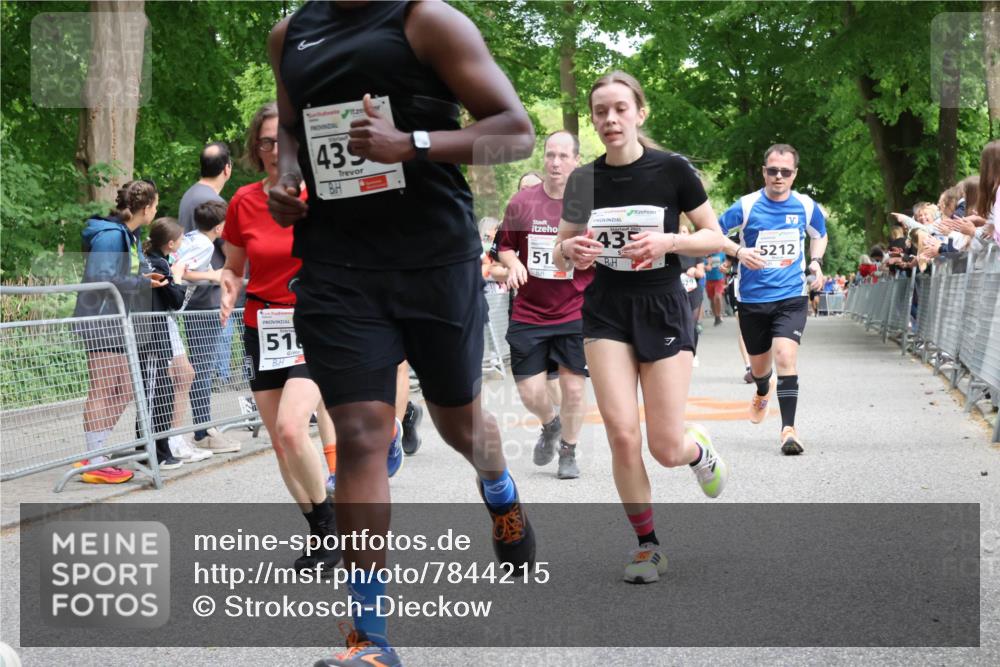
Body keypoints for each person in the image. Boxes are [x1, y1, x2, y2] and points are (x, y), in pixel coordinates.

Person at [266, 1, 535, 662]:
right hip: (337, 266)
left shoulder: (425, 19)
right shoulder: (290, 34)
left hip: (433, 261)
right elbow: (293, 127)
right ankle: (371, 639)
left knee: (460, 426)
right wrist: (288, 174)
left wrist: (410, 143)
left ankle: (500, 491)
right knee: (361, 435)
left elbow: (516, 133)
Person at [554, 70, 729, 585]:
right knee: (622, 434)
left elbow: (714, 237)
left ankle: (696, 451)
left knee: (665, 447)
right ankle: (647, 546)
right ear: (593, 120)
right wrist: (572, 249)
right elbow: (560, 252)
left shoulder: (672, 169)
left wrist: (669, 243)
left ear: (639, 113)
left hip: (663, 306)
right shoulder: (583, 181)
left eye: (620, 109)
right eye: (601, 111)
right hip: (606, 309)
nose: (610, 119)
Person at [220, 101, 357, 573]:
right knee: (281, 444)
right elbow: (234, 267)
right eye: (267, 141)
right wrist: (227, 285)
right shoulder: (243, 202)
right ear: (256, 149)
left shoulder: (323, 193)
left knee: (292, 427)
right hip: (262, 326)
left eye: (285, 139)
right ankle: (322, 531)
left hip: (313, 323)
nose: (277, 149)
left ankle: (332, 525)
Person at [718, 143, 829, 455]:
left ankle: (788, 430)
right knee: (760, 369)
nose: (779, 176)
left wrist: (816, 262)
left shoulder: (805, 206)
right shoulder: (746, 205)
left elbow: (819, 234)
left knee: (785, 355)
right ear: (763, 172)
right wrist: (737, 252)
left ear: (795, 174)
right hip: (753, 298)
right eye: (773, 170)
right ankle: (762, 388)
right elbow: (714, 231)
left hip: (792, 295)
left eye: (785, 171)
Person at [496, 130, 591, 479]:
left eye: (563, 156)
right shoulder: (522, 203)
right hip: (530, 310)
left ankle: (569, 450)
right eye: (550, 155)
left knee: (574, 389)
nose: (555, 162)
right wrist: (513, 264)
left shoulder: (589, 205)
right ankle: (551, 423)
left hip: (575, 309)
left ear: (576, 161)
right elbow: (504, 246)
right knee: (530, 391)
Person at [73, 180, 161, 483]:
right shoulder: (111, 235)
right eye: (155, 206)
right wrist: (142, 283)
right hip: (101, 319)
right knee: (103, 387)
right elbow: (101, 277)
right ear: (146, 208)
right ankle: (94, 460)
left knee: (124, 389)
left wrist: (146, 278)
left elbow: (123, 274)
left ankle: (95, 454)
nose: (156, 211)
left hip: (117, 320)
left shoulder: (128, 235)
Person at [142, 217, 212, 464]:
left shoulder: (157, 260)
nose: (184, 244)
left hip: (160, 327)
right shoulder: (159, 263)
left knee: (175, 381)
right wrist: (179, 277)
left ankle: (166, 444)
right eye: (181, 240)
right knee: (158, 390)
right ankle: (159, 449)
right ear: (171, 244)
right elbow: (175, 301)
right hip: (156, 329)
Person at [177, 200, 241, 454]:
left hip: (182, 309)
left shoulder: (192, 236)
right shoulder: (205, 244)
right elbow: (183, 271)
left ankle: (202, 430)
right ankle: (202, 431)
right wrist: (213, 276)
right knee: (200, 370)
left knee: (194, 369)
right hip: (186, 308)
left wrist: (214, 272)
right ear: (219, 228)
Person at [676, 220, 706, 366]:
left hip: (693, 291)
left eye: (684, 231)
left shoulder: (695, 252)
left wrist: (694, 270)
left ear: (689, 234)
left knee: (691, 324)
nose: (681, 234)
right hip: (676, 292)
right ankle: (677, 353)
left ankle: (693, 353)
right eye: (679, 232)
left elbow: (701, 273)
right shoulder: (671, 253)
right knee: (678, 323)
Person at [704, 250, 727, 325]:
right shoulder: (705, 254)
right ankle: (716, 316)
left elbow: (727, 265)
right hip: (709, 280)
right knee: (712, 300)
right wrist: (708, 265)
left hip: (719, 279)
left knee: (717, 296)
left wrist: (724, 267)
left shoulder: (722, 254)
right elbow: (702, 267)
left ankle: (718, 315)